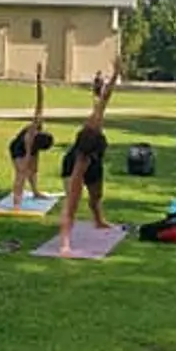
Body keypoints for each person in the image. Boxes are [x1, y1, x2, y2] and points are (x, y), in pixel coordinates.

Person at [57, 69, 121, 256]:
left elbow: (104, 100)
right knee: (72, 203)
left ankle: (98, 220)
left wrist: (116, 74)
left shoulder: (94, 125)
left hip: (95, 165)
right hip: (72, 167)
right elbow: (70, 209)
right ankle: (65, 239)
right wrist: (65, 246)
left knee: (96, 196)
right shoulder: (79, 162)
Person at [7, 67, 55, 207]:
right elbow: (25, 165)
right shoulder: (29, 141)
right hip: (18, 148)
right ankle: (16, 200)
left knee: (34, 170)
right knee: (21, 173)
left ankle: (35, 192)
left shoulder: (38, 123)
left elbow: (40, 101)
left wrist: (39, 80)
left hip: (31, 147)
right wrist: (17, 204)